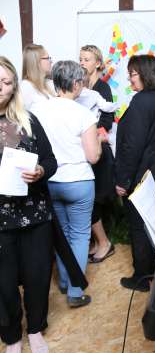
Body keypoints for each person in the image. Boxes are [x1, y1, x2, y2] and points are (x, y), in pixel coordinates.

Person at [0, 56, 57, 353]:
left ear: (14, 87)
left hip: (34, 215)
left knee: (37, 278)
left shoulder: (28, 120)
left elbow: (51, 160)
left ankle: (35, 329)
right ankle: (11, 338)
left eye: (7, 82)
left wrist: (40, 171)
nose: (1, 88)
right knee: (4, 285)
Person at [32, 60, 101, 308]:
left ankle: (62, 281)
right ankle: (74, 290)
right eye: (81, 81)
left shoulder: (39, 110)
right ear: (74, 83)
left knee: (62, 235)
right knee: (81, 236)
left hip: (49, 181)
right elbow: (93, 156)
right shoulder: (83, 114)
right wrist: (100, 145)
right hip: (78, 182)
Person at [115, 54, 155, 291]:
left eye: (133, 74)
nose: (130, 79)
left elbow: (133, 146)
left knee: (139, 226)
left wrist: (123, 180)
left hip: (142, 177)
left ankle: (142, 278)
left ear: (145, 74)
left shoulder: (141, 101)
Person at [79, 45, 115, 264]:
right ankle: (95, 242)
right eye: (81, 59)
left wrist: (88, 136)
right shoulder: (78, 86)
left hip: (98, 152)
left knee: (93, 201)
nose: (82, 62)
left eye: (87, 59)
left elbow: (106, 123)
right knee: (87, 200)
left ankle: (104, 243)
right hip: (83, 151)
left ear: (98, 63)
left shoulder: (103, 89)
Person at [20, 43, 55, 112]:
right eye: (48, 58)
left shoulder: (50, 83)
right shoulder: (26, 86)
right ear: (36, 61)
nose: (51, 61)